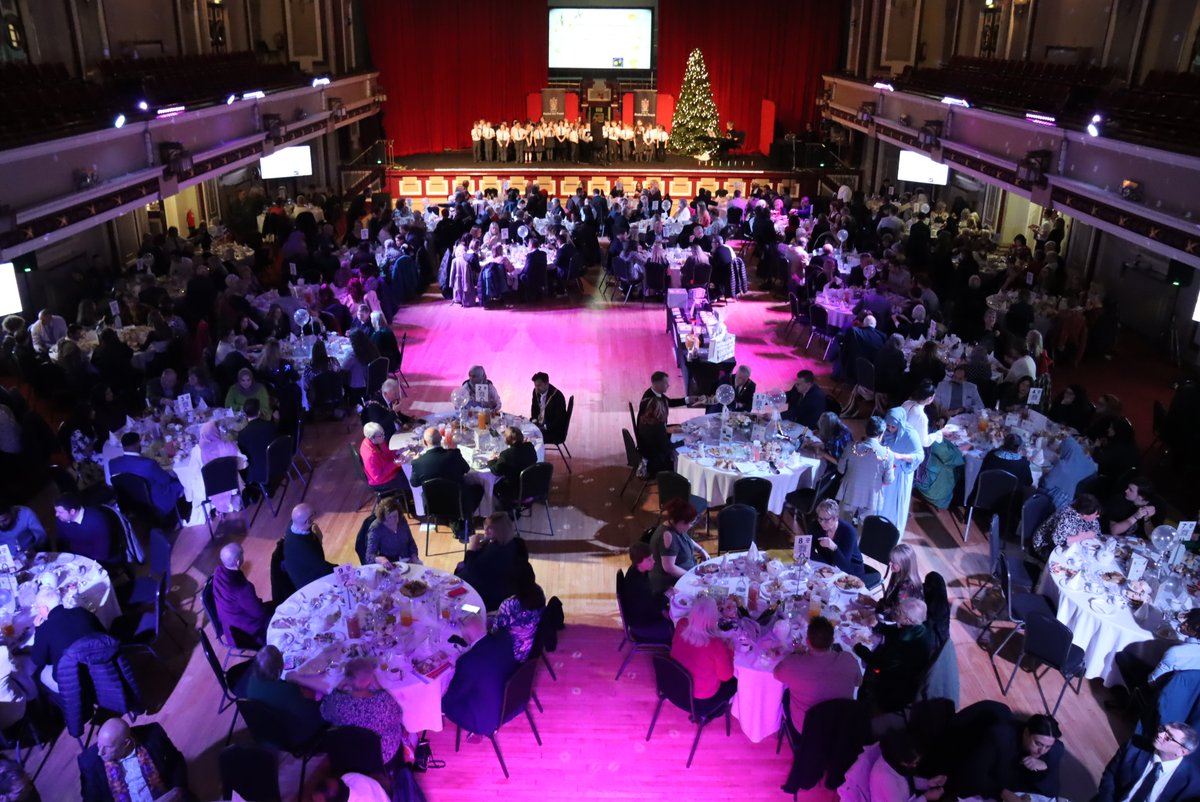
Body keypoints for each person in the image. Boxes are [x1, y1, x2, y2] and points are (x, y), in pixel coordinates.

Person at [947, 709, 1065, 802]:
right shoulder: (1000, 736)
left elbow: (1051, 792)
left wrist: (1044, 769)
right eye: (1038, 743)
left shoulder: (1055, 749)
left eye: (1047, 746)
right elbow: (975, 773)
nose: (1042, 751)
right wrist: (1002, 792)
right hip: (990, 788)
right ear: (1026, 733)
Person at [775, 615, 863, 725]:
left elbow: (777, 674)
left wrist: (796, 656)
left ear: (807, 641)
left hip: (806, 728)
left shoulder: (792, 664)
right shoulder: (848, 659)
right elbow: (859, 682)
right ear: (833, 640)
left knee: (784, 693)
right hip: (842, 726)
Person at [853, 598, 935, 713]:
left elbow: (880, 663)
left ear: (907, 619)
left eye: (898, 611)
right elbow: (896, 632)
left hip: (897, 685)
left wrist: (857, 647)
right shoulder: (919, 628)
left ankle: (863, 705)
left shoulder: (904, 641)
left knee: (857, 670)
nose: (895, 611)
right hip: (904, 668)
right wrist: (877, 625)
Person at [320, 657, 406, 766]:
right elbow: (398, 716)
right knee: (399, 726)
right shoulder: (384, 702)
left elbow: (324, 712)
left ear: (347, 680)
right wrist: (379, 687)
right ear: (370, 680)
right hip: (381, 755)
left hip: (349, 753)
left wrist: (339, 687)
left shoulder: (337, 702)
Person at [78, 719, 189, 802]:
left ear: (126, 743)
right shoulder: (88, 762)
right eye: (99, 744)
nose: (100, 752)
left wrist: (176, 790)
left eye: (107, 747)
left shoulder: (154, 735)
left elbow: (176, 762)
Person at [245, 645, 326, 747]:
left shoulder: (252, 679)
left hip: (266, 732)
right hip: (292, 737)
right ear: (279, 671)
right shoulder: (286, 689)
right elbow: (311, 709)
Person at [409, 428, 483, 537]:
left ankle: (454, 520)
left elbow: (414, 483)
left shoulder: (418, 463)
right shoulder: (454, 455)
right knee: (478, 489)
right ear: (441, 440)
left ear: (424, 443)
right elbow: (466, 469)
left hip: (433, 506)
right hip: (458, 503)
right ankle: (464, 518)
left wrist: (415, 460)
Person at [1096, 724, 1200, 802]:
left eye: (1169, 737)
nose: (1160, 734)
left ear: (1182, 751)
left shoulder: (1192, 783)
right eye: (1163, 729)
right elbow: (1110, 776)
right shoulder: (1134, 746)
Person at [838, 729, 946, 802]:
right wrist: (926, 797)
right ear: (900, 760)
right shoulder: (885, 779)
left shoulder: (894, 761)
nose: (915, 766)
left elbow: (907, 780)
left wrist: (928, 783)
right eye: (912, 763)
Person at [456, 512, 531, 611]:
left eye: (490, 529)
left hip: (491, 597)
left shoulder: (494, 552)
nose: (485, 532)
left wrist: (472, 548)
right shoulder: (516, 544)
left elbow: (471, 566)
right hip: (507, 588)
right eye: (485, 527)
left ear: (500, 531)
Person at [670, 595, 736, 705]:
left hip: (677, 686)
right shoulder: (715, 644)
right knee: (736, 682)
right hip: (702, 697)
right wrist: (729, 651)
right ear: (714, 618)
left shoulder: (681, 623)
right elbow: (726, 676)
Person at [109, 433, 187, 522]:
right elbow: (166, 480)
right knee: (183, 481)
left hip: (131, 504)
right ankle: (186, 511)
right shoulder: (148, 464)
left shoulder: (112, 463)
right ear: (137, 444)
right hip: (156, 503)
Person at [31, 598, 105, 690]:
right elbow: (104, 634)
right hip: (102, 664)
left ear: (45, 608)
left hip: (76, 680)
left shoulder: (44, 629)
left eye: (39, 608)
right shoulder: (82, 611)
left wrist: (38, 629)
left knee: (41, 675)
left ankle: (57, 702)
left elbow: (38, 660)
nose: (38, 611)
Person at [836, 416, 896, 523]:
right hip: (871, 497)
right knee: (864, 528)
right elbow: (888, 480)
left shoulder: (851, 447)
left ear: (866, 430)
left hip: (850, 492)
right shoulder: (888, 454)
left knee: (843, 524)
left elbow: (840, 469)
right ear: (881, 434)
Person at [212, 542, 270, 646]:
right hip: (244, 635)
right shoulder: (243, 589)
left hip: (229, 629)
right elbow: (259, 613)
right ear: (238, 562)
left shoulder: (218, 572)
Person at [880, 407, 924, 537]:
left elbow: (920, 456)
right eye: (887, 425)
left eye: (893, 427)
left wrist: (900, 456)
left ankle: (891, 533)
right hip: (886, 471)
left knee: (894, 504)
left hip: (900, 473)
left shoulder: (910, 435)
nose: (889, 429)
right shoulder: (885, 431)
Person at [636, 371, 691, 474]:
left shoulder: (652, 404)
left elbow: (668, 403)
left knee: (678, 429)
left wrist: (687, 400)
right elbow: (666, 448)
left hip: (648, 444)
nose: (668, 385)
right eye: (666, 383)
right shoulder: (657, 422)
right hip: (655, 459)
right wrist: (683, 442)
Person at [649, 499, 707, 595]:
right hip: (671, 582)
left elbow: (687, 539)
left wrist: (701, 550)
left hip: (688, 572)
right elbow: (669, 567)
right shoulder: (667, 536)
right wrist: (690, 576)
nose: (691, 526)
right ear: (681, 522)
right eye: (690, 523)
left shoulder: (676, 526)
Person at [619, 542, 673, 644]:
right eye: (649, 559)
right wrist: (667, 595)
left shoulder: (636, 571)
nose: (653, 561)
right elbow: (653, 608)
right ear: (639, 562)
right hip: (642, 626)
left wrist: (665, 593)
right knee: (676, 629)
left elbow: (650, 600)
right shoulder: (638, 584)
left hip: (642, 615)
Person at [492, 562, 546, 662]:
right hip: (533, 647)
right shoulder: (539, 592)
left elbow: (494, 633)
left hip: (514, 656)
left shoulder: (508, 605)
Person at [915, 406, 965, 510]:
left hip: (917, 472)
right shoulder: (930, 437)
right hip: (928, 482)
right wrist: (965, 447)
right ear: (936, 422)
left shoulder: (916, 427)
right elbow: (950, 457)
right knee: (957, 466)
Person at [195, 419, 247, 513]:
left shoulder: (199, 452)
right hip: (232, 482)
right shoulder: (227, 445)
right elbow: (243, 464)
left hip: (211, 487)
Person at [1033, 492, 1102, 559]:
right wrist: (1082, 536)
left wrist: (1091, 534)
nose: (1098, 516)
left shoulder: (1087, 512)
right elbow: (1057, 541)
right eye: (1095, 515)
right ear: (1084, 515)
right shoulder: (1067, 517)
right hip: (1045, 544)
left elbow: (1096, 530)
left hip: (1069, 542)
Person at [811, 499, 866, 579]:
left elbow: (844, 565)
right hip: (828, 568)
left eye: (826, 520)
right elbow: (808, 550)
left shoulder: (848, 531)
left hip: (852, 572)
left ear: (835, 518)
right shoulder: (816, 525)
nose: (822, 523)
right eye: (820, 519)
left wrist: (834, 547)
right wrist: (825, 565)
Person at [283, 503, 334, 588]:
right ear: (308, 521)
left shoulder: (293, 525)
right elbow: (323, 567)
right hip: (309, 583)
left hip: (307, 568)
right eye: (313, 515)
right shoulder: (302, 548)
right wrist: (341, 568)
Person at [1040, 436, 1098, 509]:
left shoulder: (1063, 465)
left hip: (1052, 499)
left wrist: (1045, 473)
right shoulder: (1086, 464)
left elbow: (1046, 484)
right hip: (1068, 500)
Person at [52, 495, 114, 562]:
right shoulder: (61, 520)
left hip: (95, 558)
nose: (56, 515)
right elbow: (61, 540)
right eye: (56, 511)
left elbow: (101, 553)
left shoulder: (96, 521)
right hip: (76, 555)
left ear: (72, 511)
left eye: (60, 512)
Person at [489, 426, 537, 510]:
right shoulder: (529, 446)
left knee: (492, 485)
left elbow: (496, 471)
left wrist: (491, 460)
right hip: (531, 486)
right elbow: (534, 459)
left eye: (505, 435)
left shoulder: (506, 454)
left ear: (508, 440)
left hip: (515, 490)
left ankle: (504, 509)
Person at [363, 496, 418, 564]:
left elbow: (411, 542)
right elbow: (369, 556)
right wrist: (379, 559)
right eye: (389, 517)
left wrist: (414, 556)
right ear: (383, 516)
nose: (393, 520)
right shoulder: (376, 528)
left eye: (395, 516)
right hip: (390, 565)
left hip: (408, 560)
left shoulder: (402, 521)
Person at [876, 543, 924, 622]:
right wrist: (877, 605)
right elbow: (888, 599)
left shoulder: (908, 586)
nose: (889, 563)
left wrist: (877, 611)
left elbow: (898, 614)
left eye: (893, 562)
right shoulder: (896, 573)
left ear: (904, 564)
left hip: (901, 624)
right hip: (888, 615)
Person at [236, 397, 277, 488]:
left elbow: (243, 456)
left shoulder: (243, 434)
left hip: (260, 471)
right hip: (278, 463)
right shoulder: (270, 425)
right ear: (259, 412)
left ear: (245, 415)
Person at [358, 422, 408, 495]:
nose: (383, 436)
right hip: (381, 482)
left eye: (383, 433)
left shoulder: (377, 441)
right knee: (410, 480)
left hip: (387, 469)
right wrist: (395, 464)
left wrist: (397, 452)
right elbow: (378, 477)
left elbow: (386, 453)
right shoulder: (370, 456)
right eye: (381, 435)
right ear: (372, 438)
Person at [530, 372, 567, 442]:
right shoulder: (535, 392)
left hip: (554, 431)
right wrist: (534, 420)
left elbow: (559, 420)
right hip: (541, 425)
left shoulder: (557, 396)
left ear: (547, 384)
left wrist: (544, 427)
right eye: (535, 385)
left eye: (539, 385)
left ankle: (534, 452)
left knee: (529, 437)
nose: (537, 388)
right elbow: (534, 408)